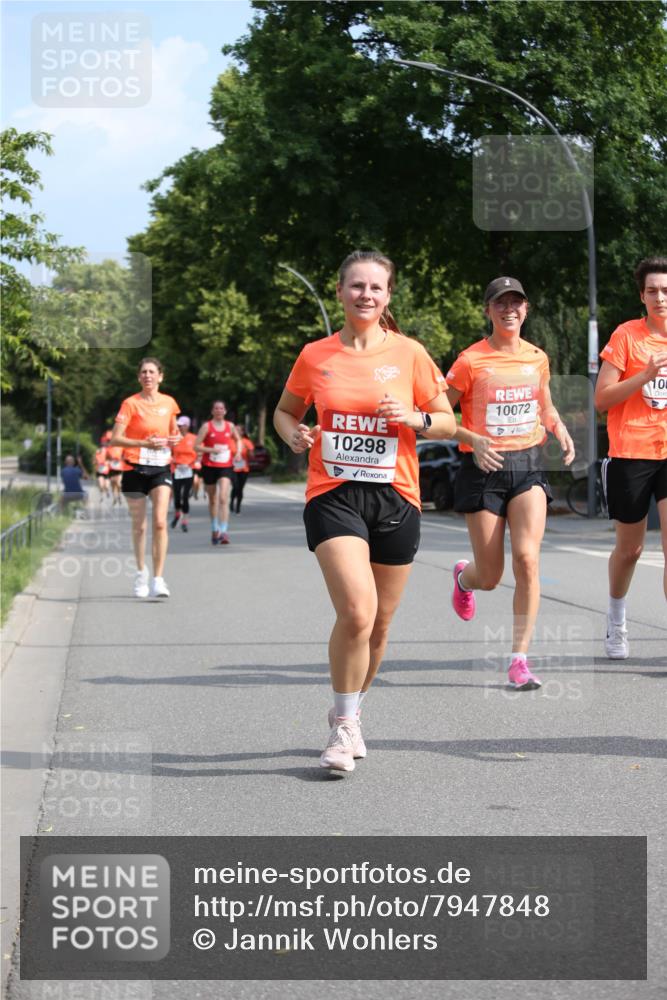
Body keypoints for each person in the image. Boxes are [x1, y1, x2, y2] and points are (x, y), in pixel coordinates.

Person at [274, 249, 456, 775]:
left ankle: (349, 710)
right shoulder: (316, 355)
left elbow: (447, 422)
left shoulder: (411, 354)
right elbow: (286, 412)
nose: (366, 295)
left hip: (396, 495)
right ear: (339, 291)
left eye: (376, 288)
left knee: (379, 626)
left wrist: (415, 416)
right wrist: (295, 435)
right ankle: (342, 728)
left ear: (388, 296)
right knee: (357, 611)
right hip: (333, 493)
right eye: (356, 286)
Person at [445, 276, 575, 691]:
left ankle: (519, 659)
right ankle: (465, 578)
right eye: (501, 303)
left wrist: (559, 427)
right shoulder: (470, 361)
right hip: (483, 468)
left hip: (528, 464)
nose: (509, 310)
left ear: (526, 309)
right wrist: (471, 438)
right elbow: (437, 415)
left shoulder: (537, 357)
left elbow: (545, 403)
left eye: (516, 303)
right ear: (488, 310)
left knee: (528, 560)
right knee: (490, 575)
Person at [594, 256, 667, 658]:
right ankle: (617, 621)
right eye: (653, 290)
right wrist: (644, 375)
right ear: (642, 296)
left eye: (666, 290)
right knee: (631, 550)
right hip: (630, 454)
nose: (661, 297)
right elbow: (601, 399)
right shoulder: (627, 336)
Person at [109, 357, 181, 598]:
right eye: (143, 372)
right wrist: (143, 443)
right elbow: (115, 439)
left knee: (160, 522)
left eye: (152, 372)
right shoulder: (130, 404)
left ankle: (158, 579)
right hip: (134, 467)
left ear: (160, 376)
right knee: (140, 526)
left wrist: (174, 439)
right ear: (139, 377)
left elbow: (175, 432)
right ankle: (141, 573)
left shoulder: (169, 403)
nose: (147, 376)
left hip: (161, 467)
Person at [195, 401, 242, 544]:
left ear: (225, 411)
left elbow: (238, 440)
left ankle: (224, 531)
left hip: (225, 465)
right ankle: (215, 528)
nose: (219, 410)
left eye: (221, 408)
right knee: (213, 499)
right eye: (216, 408)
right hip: (209, 465)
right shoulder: (206, 427)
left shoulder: (230, 426)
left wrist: (238, 452)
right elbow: (196, 446)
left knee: (223, 498)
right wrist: (211, 450)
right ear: (212, 411)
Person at [170, 415, 198, 531]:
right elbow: (168, 452)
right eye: (179, 425)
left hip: (188, 469)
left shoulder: (194, 438)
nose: (180, 427)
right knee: (177, 495)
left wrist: (192, 461)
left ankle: (185, 520)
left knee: (185, 496)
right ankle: (177, 514)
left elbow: (199, 452)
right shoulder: (174, 438)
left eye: (182, 425)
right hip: (176, 469)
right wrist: (173, 460)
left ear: (187, 426)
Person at [230, 424, 255, 514]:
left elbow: (252, 456)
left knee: (240, 488)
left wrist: (249, 452)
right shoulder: (229, 441)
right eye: (234, 430)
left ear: (242, 432)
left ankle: (238, 507)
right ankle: (232, 501)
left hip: (244, 468)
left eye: (238, 430)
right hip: (232, 468)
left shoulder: (247, 442)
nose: (236, 432)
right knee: (235, 486)